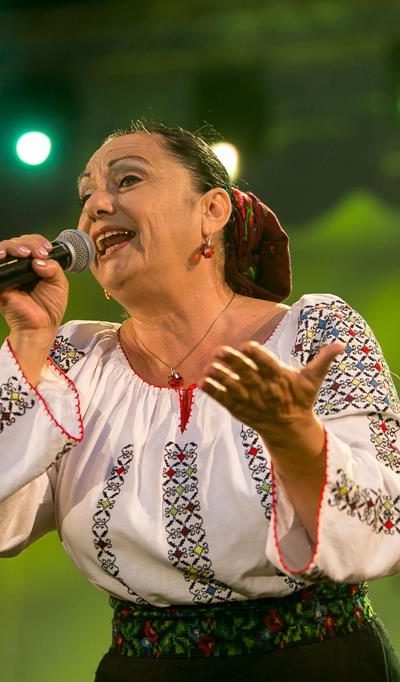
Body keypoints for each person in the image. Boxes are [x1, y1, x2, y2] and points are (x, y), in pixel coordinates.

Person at [0, 121, 399, 682]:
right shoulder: (70, 360)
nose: (95, 207)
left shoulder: (312, 333)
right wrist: (28, 341)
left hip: (317, 663)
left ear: (212, 210)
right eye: (85, 194)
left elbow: (385, 520)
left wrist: (294, 434)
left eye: (127, 180)